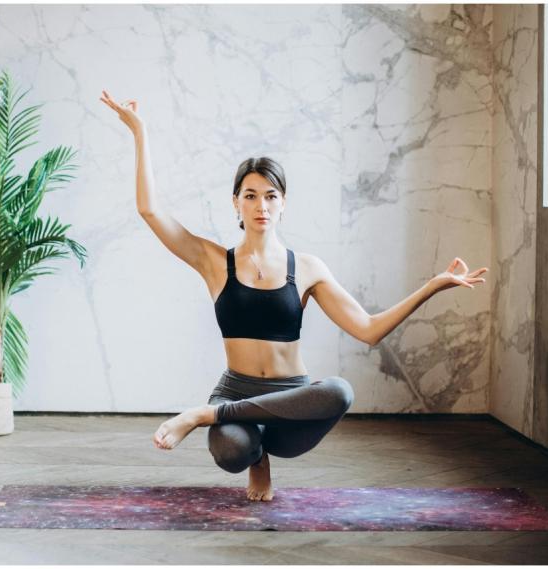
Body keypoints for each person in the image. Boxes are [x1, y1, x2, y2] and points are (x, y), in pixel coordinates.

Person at [99, 90, 488, 501]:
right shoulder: (214, 261)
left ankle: (202, 415)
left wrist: (432, 286)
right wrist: (140, 132)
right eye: (250, 195)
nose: (261, 205)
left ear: (283, 203)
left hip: (291, 401)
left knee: (339, 391)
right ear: (236, 203)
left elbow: (369, 330)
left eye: (271, 196)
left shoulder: (306, 268)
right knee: (232, 450)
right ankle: (253, 455)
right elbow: (150, 211)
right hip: (236, 392)